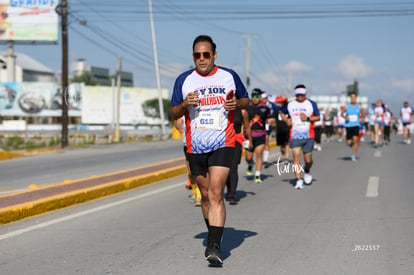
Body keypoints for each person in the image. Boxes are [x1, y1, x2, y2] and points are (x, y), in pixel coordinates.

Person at [170, 35, 249, 265]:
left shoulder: (229, 76)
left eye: (206, 54)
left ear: (215, 55)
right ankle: (214, 232)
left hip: (223, 142)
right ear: (193, 56)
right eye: (197, 55)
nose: (201, 59)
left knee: (216, 193)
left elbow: (245, 101)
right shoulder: (184, 80)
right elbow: (174, 113)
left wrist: (236, 105)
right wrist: (185, 104)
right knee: (205, 196)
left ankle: (214, 246)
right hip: (195, 146)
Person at [280, 84, 320, 190]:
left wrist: (307, 118)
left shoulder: (311, 104)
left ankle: (307, 170)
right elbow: (281, 112)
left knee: (308, 160)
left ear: (305, 94)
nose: (300, 97)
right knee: (296, 157)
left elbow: (318, 117)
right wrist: (286, 120)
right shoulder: (290, 104)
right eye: (298, 95)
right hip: (294, 135)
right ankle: (298, 180)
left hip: (309, 135)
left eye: (302, 95)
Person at [245, 88, 272, 184]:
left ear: (260, 97)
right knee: (248, 157)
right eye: (253, 96)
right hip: (249, 135)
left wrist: (271, 122)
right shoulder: (248, 107)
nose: (255, 98)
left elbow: (270, 119)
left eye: (257, 96)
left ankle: (257, 174)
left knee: (259, 153)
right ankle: (251, 164)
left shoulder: (265, 108)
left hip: (261, 134)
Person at [225, 108, 252, 205]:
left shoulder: (242, 112)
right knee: (225, 168)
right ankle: (228, 190)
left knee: (233, 167)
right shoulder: (221, 109)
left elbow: (247, 127)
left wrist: (250, 141)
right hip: (223, 140)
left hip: (236, 140)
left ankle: (232, 194)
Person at [175, 116, 201, 206]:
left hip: (200, 144)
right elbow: (178, 123)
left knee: (199, 170)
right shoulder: (186, 111)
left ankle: (199, 195)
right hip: (188, 145)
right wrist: (182, 129)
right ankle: (194, 190)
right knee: (190, 172)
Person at [341, 92, 364, 161]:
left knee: (356, 140)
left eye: (354, 97)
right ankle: (353, 144)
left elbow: (362, 114)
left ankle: (353, 155)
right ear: (350, 98)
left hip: (356, 125)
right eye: (352, 97)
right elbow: (342, 114)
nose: (353, 98)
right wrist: (345, 118)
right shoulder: (347, 106)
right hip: (348, 125)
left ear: (356, 98)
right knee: (348, 142)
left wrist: (362, 118)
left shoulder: (359, 106)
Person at [274, 96, 291, 162]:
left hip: (286, 129)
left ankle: (286, 158)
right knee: (281, 145)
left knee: (286, 143)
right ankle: (283, 154)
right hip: (279, 129)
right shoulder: (277, 110)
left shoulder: (288, 110)